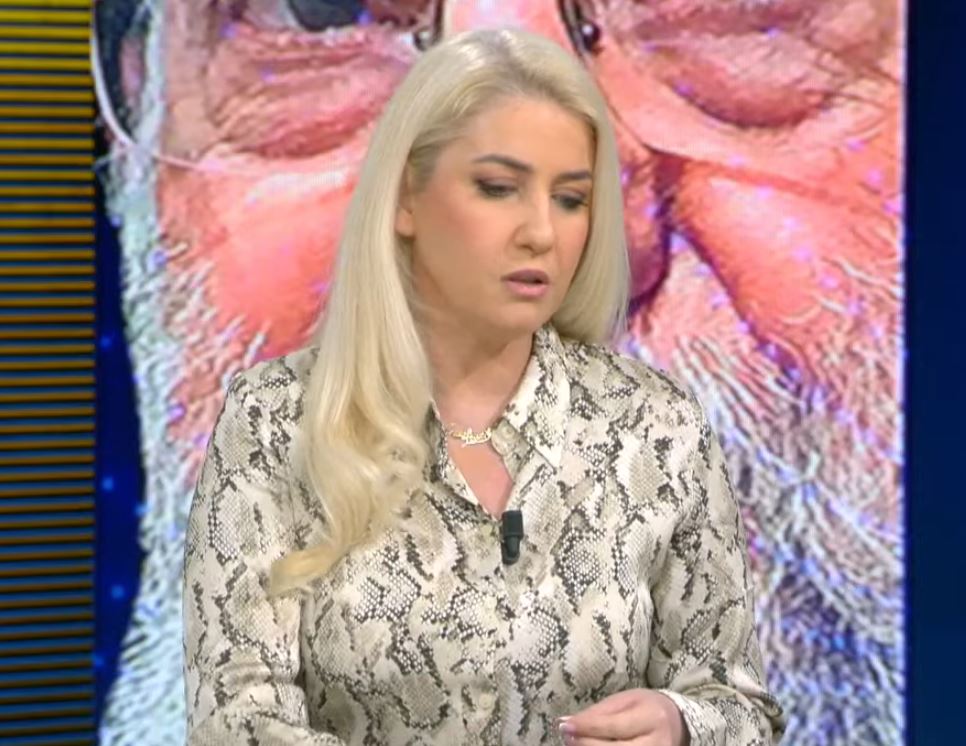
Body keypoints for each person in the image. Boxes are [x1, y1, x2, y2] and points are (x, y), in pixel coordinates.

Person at [182, 26, 785, 746]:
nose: (542, 233)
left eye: (571, 199)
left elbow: (740, 706)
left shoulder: (656, 426)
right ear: (406, 199)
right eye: (498, 189)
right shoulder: (276, 422)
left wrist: (683, 726)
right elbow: (236, 719)